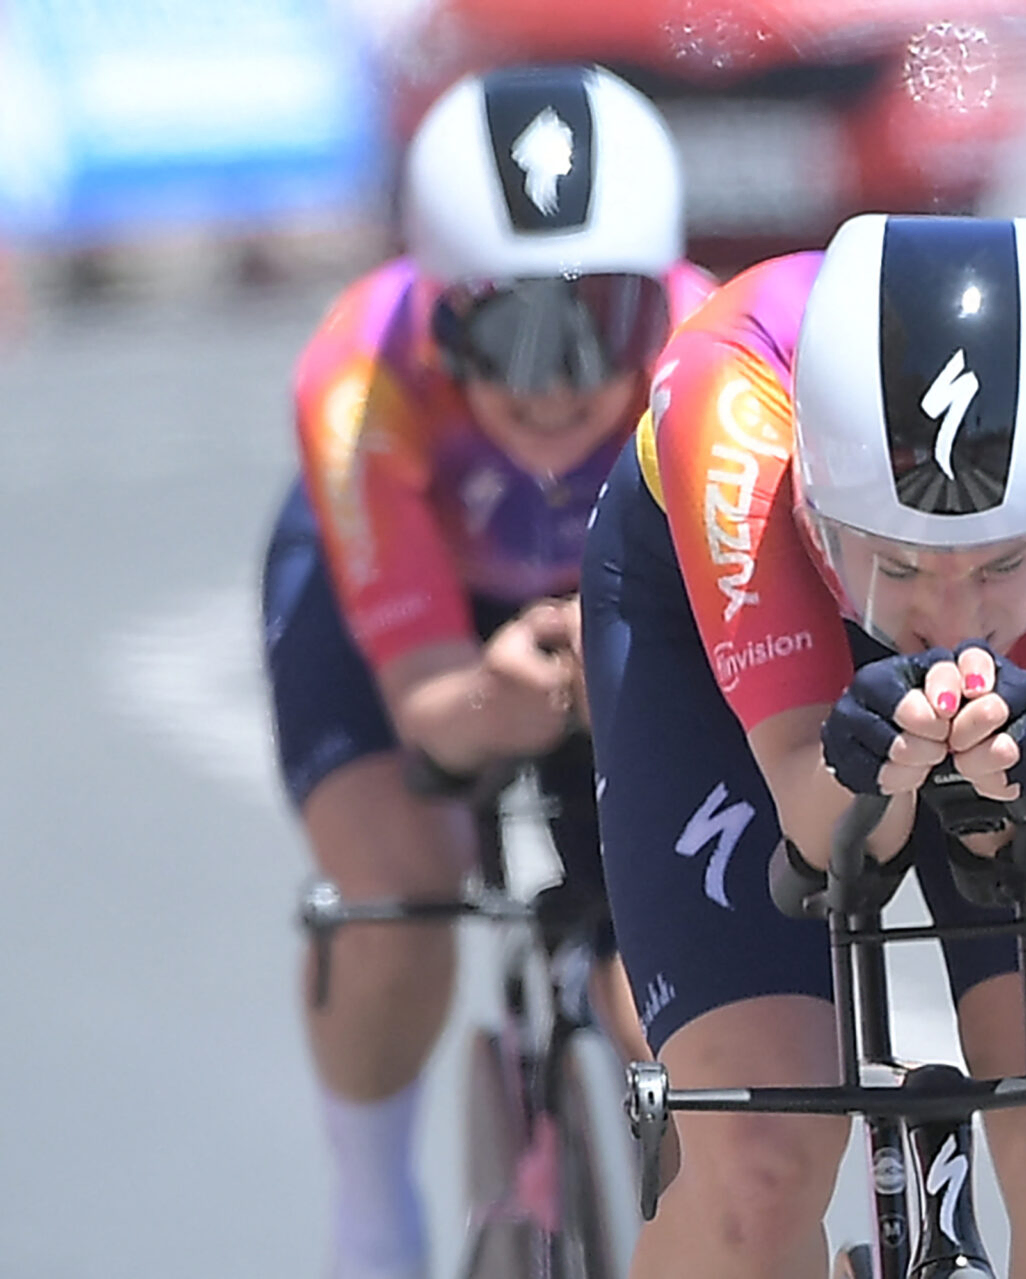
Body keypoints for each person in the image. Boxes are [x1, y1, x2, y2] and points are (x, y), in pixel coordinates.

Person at [579, 212, 1026, 1279]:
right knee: (759, 1157)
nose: (950, 616)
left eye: (998, 561)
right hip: (735, 617)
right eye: (902, 566)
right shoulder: (728, 398)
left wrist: (1017, 773)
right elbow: (815, 820)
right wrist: (860, 768)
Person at [260, 64, 710, 1279]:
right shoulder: (360, 377)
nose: (556, 381)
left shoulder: (719, 366)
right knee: (396, 900)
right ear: (435, 311)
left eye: (601, 322)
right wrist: (493, 706)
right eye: (507, 330)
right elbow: (429, 714)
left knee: (669, 991)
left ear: (665, 301)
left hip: (628, 621)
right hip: (425, 613)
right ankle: (372, 1209)